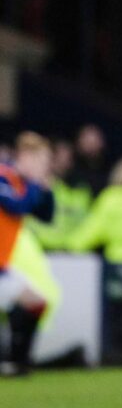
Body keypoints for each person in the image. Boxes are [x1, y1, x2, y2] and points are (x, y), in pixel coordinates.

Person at [0, 132, 55, 376]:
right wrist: (34, 184)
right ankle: (14, 360)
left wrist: (47, 190)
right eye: (41, 161)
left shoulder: (24, 183)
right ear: (25, 157)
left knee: (35, 303)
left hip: (2, 266)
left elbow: (46, 216)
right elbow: (17, 206)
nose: (45, 168)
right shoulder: (3, 175)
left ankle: (16, 361)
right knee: (31, 302)